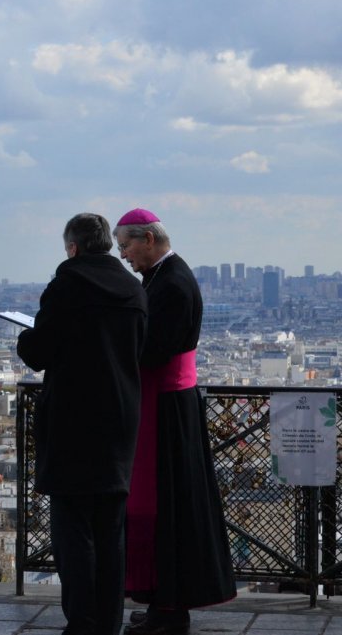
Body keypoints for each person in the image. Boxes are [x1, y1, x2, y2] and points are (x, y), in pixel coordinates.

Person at [17, 213, 147, 635]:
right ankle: (109, 621)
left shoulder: (67, 286)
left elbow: (39, 351)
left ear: (72, 248)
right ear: (108, 244)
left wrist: (25, 338)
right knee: (111, 530)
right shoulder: (133, 288)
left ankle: (83, 622)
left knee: (73, 529)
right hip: (120, 418)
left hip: (73, 420)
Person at [114, 209, 236, 635]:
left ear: (148, 238)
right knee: (165, 505)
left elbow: (152, 348)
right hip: (168, 403)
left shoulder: (172, 283)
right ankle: (161, 601)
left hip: (166, 407)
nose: (124, 255)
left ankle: (169, 609)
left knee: (164, 506)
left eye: (126, 245)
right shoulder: (167, 277)